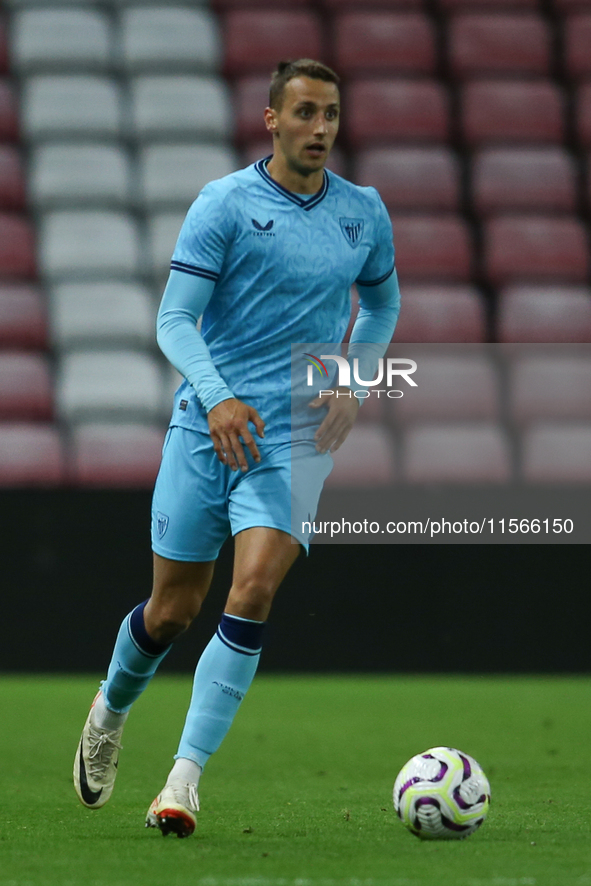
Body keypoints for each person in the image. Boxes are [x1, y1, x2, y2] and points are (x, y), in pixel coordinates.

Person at [73, 58, 401, 838]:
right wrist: (217, 397)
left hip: (294, 436)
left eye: (330, 114)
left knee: (252, 590)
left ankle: (182, 781)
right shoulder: (222, 205)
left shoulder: (363, 213)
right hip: (205, 426)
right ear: (271, 119)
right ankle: (112, 707)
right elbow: (174, 320)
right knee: (173, 610)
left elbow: (382, 302)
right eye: (305, 113)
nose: (320, 128)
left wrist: (353, 381)